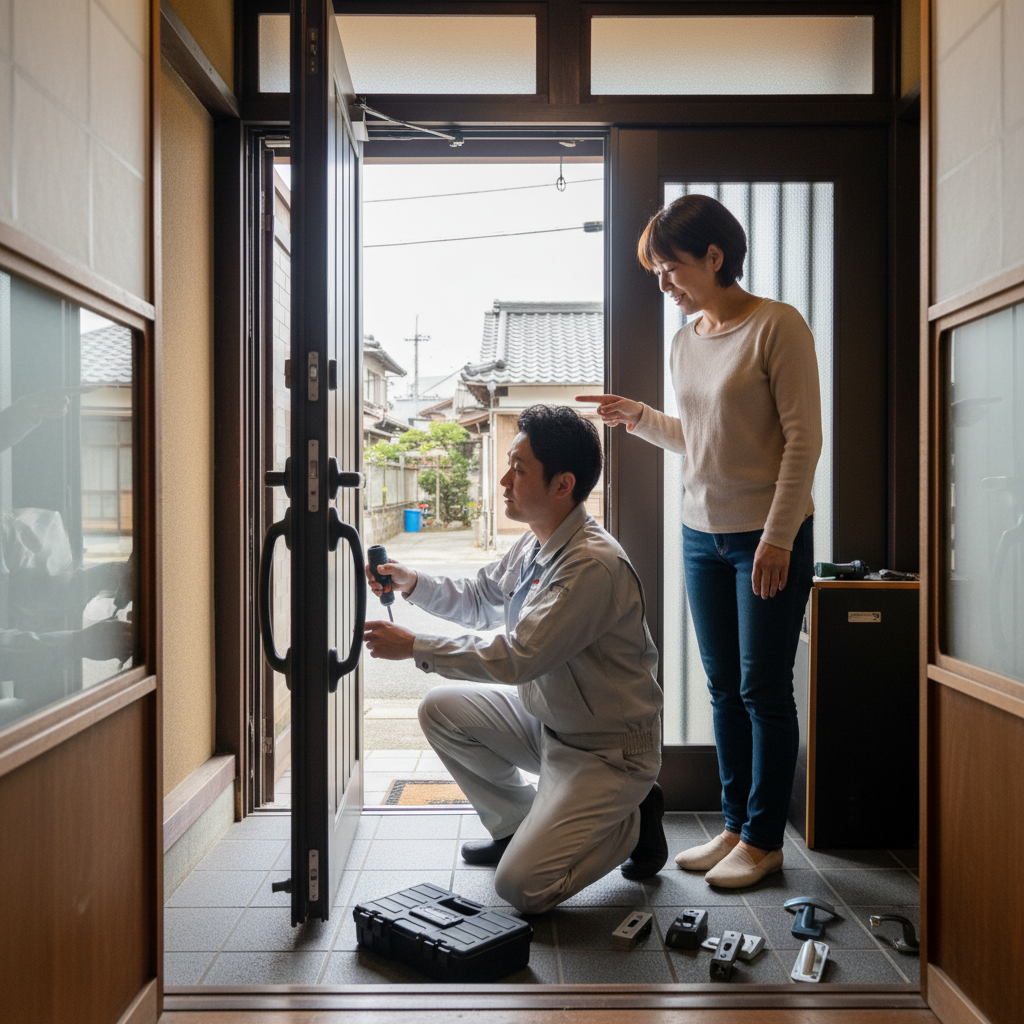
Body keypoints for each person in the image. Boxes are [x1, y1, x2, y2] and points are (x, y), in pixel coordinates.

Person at [578, 193, 821, 889]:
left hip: (766, 539)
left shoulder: (777, 326)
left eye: (671, 267)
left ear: (715, 256)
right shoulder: (685, 340)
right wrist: (639, 417)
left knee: (763, 688)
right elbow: (702, 439)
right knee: (723, 688)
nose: (664, 283)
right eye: (656, 271)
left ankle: (765, 841)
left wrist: (778, 537)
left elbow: (803, 441)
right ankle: (737, 825)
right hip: (701, 535)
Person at [363, 405, 666, 915]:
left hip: (608, 751)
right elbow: (482, 597)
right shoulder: (536, 543)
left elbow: (518, 657)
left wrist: (415, 646)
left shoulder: (591, 566)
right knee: (440, 709)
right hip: (551, 726)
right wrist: (412, 583)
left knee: (522, 889)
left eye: (519, 469)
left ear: (563, 484)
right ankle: (515, 827)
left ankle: (634, 821)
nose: (504, 480)